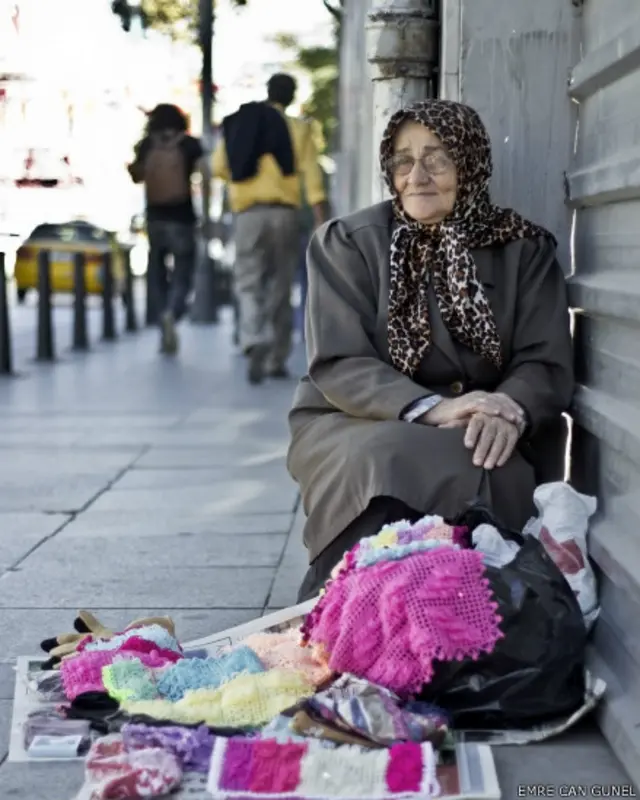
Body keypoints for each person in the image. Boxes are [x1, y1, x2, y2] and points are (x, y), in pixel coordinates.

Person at [287, 99, 574, 602]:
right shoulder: (349, 243)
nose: (417, 175)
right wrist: (435, 408)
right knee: (382, 459)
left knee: (486, 468)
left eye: (437, 158)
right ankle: (339, 614)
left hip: (488, 430)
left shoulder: (523, 250)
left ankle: (453, 627)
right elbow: (341, 360)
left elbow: (544, 359)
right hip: (358, 419)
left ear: (470, 162)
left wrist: (508, 411)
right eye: (403, 159)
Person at [212, 73, 327, 384]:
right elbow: (311, 174)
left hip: (248, 213)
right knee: (280, 283)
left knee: (248, 281)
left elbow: (219, 167)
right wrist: (320, 214)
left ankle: (253, 337)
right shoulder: (299, 128)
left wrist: (245, 180)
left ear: (267, 91)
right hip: (285, 214)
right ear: (290, 96)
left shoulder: (239, 123)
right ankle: (276, 358)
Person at [128, 104, 206, 355]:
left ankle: (163, 317)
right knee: (184, 271)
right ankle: (174, 311)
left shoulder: (146, 144)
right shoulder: (189, 144)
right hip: (182, 217)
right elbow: (205, 174)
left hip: (155, 218)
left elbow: (137, 176)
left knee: (158, 273)